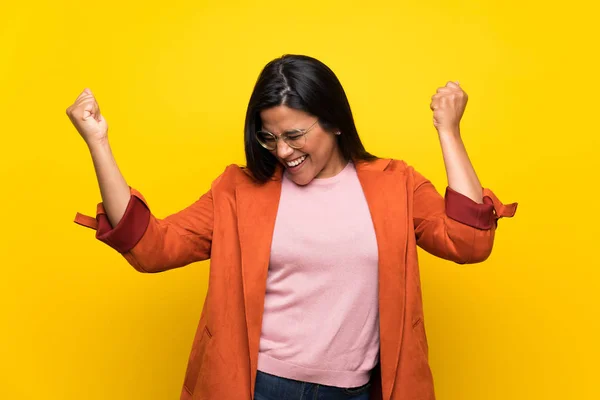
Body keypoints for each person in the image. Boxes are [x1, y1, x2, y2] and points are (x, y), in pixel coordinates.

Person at [67, 54, 518, 400]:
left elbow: (469, 242)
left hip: (355, 390)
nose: (282, 151)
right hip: (260, 386)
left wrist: (449, 132)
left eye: (295, 135)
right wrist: (98, 143)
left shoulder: (394, 183)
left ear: (335, 123)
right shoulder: (239, 189)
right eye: (269, 136)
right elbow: (152, 248)